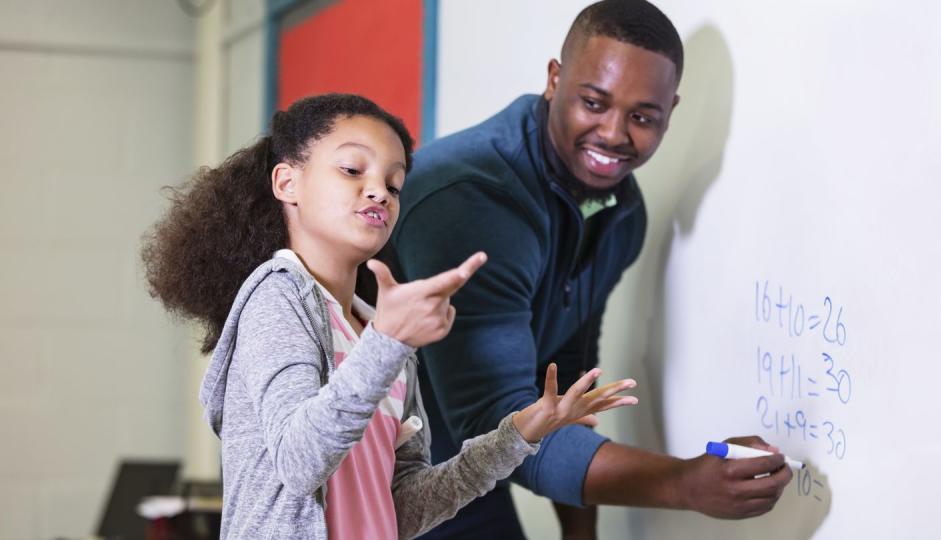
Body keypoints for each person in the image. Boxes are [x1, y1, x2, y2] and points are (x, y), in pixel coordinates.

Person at [140, 93, 639, 539]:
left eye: (395, 184)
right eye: (353, 170)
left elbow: (402, 508)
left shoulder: (377, 331)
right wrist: (387, 340)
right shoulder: (277, 297)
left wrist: (521, 433)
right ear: (287, 182)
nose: (379, 191)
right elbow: (298, 461)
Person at [390, 1, 793, 538]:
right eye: (594, 102)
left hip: (460, 468)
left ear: (671, 111)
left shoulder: (620, 215)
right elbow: (499, 422)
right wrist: (683, 483)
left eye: (643, 116)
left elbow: (565, 388)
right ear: (555, 79)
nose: (613, 133)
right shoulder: (469, 197)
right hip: (370, 476)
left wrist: (581, 535)